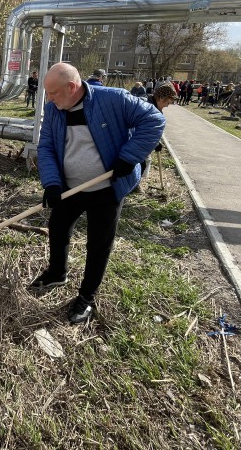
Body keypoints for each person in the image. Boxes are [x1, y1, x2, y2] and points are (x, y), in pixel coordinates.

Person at [32, 63, 165, 323]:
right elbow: (46, 146)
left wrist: (130, 157)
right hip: (71, 188)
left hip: (106, 190)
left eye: (53, 93)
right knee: (58, 228)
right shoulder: (54, 109)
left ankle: (87, 297)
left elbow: (154, 120)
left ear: (72, 87)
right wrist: (51, 183)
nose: (49, 99)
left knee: (98, 244)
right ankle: (57, 273)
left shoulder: (112, 100)